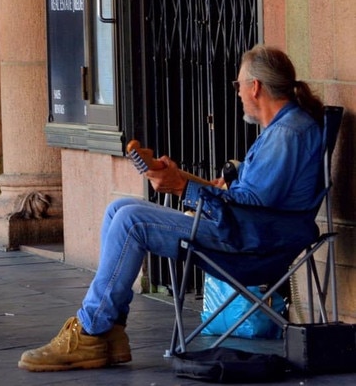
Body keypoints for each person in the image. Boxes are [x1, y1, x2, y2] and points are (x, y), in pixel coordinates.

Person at [18, 45, 325, 371]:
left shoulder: (288, 133)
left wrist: (181, 187)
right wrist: (179, 178)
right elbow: (239, 198)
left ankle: (92, 328)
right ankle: (110, 332)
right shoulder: (284, 129)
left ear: (255, 87)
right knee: (118, 209)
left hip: (252, 244)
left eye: (238, 86)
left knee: (131, 221)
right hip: (247, 232)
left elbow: (248, 207)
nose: (237, 94)